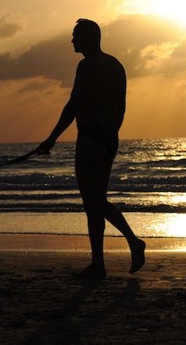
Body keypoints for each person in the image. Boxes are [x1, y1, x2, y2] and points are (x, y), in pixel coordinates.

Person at [36, 18, 146, 279]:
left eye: (76, 36)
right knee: (98, 202)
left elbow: (73, 106)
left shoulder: (86, 66)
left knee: (92, 203)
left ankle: (107, 258)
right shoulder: (116, 65)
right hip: (109, 139)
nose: (72, 40)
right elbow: (121, 107)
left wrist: (51, 138)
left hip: (90, 140)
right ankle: (114, 253)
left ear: (89, 37)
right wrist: (112, 134)